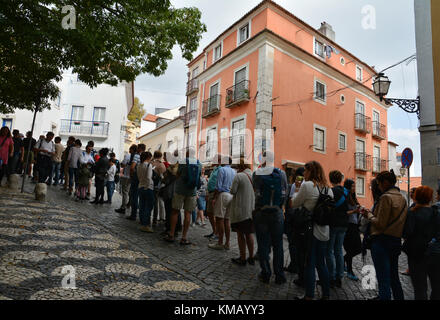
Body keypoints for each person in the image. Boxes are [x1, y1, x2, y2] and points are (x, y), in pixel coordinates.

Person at [361, 170, 407, 301]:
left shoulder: (386, 197)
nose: (379, 187)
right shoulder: (402, 198)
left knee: (383, 279)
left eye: (379, 184)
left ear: (385, 183)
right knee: (394, 278)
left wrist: (368, 215)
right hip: (395, 241)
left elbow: (380, 223)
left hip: (382, 241)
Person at [291, 160, 333, 300]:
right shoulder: (328, 189)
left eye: (306, 171)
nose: (304, 173)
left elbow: (294, 203)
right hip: (324, 230)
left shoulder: (307, 185)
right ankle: (326, 294)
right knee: (321, 263)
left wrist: (296, 189)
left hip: (310, 230)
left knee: (309, 263)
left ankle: (309, 295)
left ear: (311, 172)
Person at [253, 151, 287, 285]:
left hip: (262, 211)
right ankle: (280, 275)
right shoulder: (281, 173)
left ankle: (266, 273)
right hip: (277, 212)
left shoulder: (257, 173)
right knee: (278, 245)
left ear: (263, 159)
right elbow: (284, 191)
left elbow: (255, 190)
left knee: (263, 243)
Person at [402, 186, 440, 300]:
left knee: (420, 288)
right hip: (433, 254)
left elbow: (406, 233)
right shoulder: (435, 213)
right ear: (430, 198)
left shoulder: (412, 213)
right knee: (436, 287)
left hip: (416, 254)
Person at [164, 148, 201, 245]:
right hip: (192, 191)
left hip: (180, 190)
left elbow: (177, 174)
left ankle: (171, 234)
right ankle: (184, 237)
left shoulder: (183, 162)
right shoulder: (199, 163)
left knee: (175, 211)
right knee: (188, 213)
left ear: (187, 154)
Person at [229, 157, 255, 265]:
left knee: (240, 234)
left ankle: (243, 257)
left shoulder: (239, 176)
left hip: (240, 210)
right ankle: (251, 256)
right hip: (251, 210)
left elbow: (232, 191)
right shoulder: (254, 175)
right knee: (249, 234)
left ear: (240, 167)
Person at [326, 170, 349, 288]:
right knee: (339, 250)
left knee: (329, 251)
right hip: (344, 224)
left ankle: (331, 276)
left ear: (330, 179)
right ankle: (339, 276)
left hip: (333, 224)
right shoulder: (346, 191)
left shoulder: (331, 191)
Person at [208, 156, 236, 250]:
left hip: (223, 195)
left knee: (220, 219)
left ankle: (220, 242)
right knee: (227, 220)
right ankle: (227, 243)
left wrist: (215, 198)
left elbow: (218, 186)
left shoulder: (222, 170)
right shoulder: (234, 171)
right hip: (231, 195)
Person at [284, 167, 305, 274]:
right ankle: (297, 265)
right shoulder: (307, 185)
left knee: (292, 243)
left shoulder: (295, 185)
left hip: (293, 217)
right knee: (298, 244)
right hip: (302, 218)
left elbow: (292, 202)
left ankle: (294, 265)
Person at [343, 179, 362, 281]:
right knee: (351, 249)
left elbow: (355, 211)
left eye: (355, 186)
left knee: (359, 248)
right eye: (352, 186)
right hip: (348, 226)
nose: (354, 188)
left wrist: (360, 209)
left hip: (354, 225)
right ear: (348, 187)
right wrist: (354, 210)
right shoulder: (345, 197)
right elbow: (344, 212)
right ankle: (350, 271)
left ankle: (343, 260)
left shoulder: (353, 197)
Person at [160, 150, 181, 237]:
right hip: (177, 192)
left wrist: (164, 177)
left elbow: (165, 179)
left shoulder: (171, 167)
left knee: (169, 211)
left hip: (170, 191)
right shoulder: (182, 166)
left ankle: (169, 229)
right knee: (176, 211)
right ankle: (177, 228)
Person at [204, 154, 222, 240]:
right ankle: (214, 231)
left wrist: (215, 196)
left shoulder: (221, 169)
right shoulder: (214, 169)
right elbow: (210, 182)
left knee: (215, 214)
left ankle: (217, 233)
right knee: (209, 213)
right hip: (210, 193)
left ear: (219, 160)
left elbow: (219, 183)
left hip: (215, 194)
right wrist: (207, 193)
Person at [115, 145, 137, 215]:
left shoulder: (128, 155)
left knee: (125, 192)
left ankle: (123, 207)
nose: (129, 150)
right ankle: (127, 204)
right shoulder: (136, 157)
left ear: (131, 149)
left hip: (126, 176)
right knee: (128, 192)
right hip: (132, 177)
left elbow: (123, 165)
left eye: (130, 149)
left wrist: (123, 164)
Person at [137, 151, 155, 233]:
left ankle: (142, 221)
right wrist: (147, 186)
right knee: (149, 206)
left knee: (142, 205)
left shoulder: (139, 165)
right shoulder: (149, 165)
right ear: (148, 157)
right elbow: (148, 177)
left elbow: (139, 176)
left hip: (140, 186)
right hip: (147, 188)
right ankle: (146, 224)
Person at [127, 144, 144, 220]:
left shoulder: (137, 156)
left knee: (134, 195)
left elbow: (132, 167)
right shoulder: (146, 156)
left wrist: (132, 175)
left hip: (136, 178)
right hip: (143, 179)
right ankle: (141, 215)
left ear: (140, 148)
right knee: (141, 197)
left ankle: (133, 215)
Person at [151, 151, 166, 225]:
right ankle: (156, 219)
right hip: (158, 186)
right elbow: (163, 177)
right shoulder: (161, 165)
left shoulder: (151, 163)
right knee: (157, 203)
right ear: (161, 156)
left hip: (150, 184)